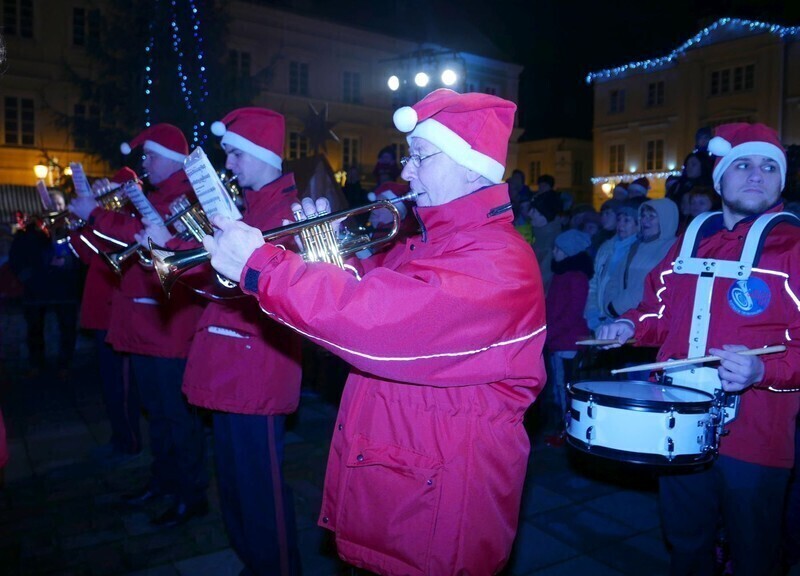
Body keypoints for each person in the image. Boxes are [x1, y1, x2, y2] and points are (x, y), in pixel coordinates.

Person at [202, 89, 547, 575]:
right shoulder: (432, 241)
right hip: (404, 480)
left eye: (421, 157)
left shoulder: (498, 261)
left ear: (472, 167)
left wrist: (263, 267)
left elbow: (380, 323)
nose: (406, 172)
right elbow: (374, 291)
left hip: (441, 505)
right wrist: (326, 257)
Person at [597, 123, 800, 575]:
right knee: (687, 542)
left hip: (756, 436)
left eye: (769, 167)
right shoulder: (691, 241)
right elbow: (658, 312)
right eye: (742, 164)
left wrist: (761, 372)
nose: (755, 175)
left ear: (781, 181)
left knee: (756, 553)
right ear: (720, 177)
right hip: (678, 426)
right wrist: (628, 325)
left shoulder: (795, 247)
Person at [148, 108, 303, 574]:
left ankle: (275, 567)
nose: (229, 165)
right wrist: (169, 242)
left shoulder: (282, 211)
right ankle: (253, 560)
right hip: (230, 360)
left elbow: (264, 288)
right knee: (235, 482)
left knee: (261, 486)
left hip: (258, 365)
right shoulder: (253, 206)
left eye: (236, 154)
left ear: (261, 155)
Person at [69, 123, 209, 527]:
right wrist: (90, 218)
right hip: (146, 324)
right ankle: (164, 482)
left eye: (149, 156)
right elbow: (117, 245)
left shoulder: (186, 194)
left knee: (178, 419)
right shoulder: (155, 194)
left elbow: (150, 235)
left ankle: (190, 492)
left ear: (170, 156)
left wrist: (96, 213)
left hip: (169, 329)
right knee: (159, 415)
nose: (143, 164)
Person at [69, 167, 142, 460]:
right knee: (110, 381)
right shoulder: (105, 218)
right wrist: (79, 224)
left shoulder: (126, 219)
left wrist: (97, 214)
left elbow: (118, 246)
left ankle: (130, 439)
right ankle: (119, 435)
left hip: (117, 307)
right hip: (100, 305)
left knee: (123, 384)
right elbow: (86, 254)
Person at [543, 229, 593, 447]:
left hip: (566, 341)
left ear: (569, 251)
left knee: (565, 389)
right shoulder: (562, 274)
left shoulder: (575, 277)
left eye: (558, 248)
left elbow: (572, 313)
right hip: (558, 340)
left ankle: (567, 430)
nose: (553, 252)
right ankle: (564, 428)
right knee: (559, 387)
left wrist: (550, 333)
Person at [584, 200, 639, 332]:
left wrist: (617, 312)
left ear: (638, 224)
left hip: (624, 318)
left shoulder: (639, 250)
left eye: (627, 220)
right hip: (600, 317)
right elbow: (595, 281)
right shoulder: (606, 247)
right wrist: (592, 311)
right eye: (619, 220)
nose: (621, 224)